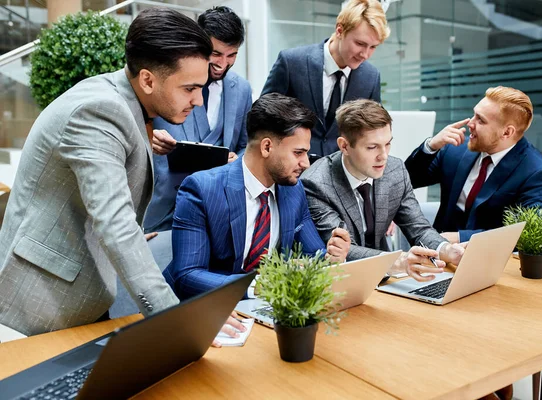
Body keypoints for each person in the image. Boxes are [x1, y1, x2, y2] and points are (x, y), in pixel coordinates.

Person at [0, 8, 243, 341]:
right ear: (147, 79)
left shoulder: (126, 99)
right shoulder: (100, 111)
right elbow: (116, 223)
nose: (198, 101)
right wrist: (180, 318)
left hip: (81, 292)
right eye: (189, 88)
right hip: (36, 308)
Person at [163, 93, 351, 298]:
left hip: (265, 308)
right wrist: (264, 283)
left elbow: (311, 254)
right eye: (298, 153)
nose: (306, 163)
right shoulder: (201, 189)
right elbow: (187, 276)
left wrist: (329, 260)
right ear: (267, 147)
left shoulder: (292, 189)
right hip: (205, 310)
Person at [302, 99, 464, 281]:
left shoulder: (395, 170)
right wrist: (398, 262)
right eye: (372, 147)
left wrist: (446, 250)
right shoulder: (316, 183)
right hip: (344, 281)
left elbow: (418, 228)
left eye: (387, 144)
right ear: (344, 146)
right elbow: (345, 249)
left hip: (388, 279)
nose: (384, 156)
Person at [145, 6, 253, 232]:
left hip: (216, 210)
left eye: (231, 55)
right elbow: (137, 122)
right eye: (216, 54)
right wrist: (148, 137)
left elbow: (246, 144)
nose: (223, 64)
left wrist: (237, 162)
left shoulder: (242, 89)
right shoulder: (168, 78)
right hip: (162, 208)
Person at [404, 86, 542, 243]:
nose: (470, 123)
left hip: (493, 262)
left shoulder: (538, 172)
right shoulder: (455, 148)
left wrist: (459, 238)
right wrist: (431, 146)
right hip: (437, 258)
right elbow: (406, 181)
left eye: (481, 120)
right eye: (474, 115)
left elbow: (530, 234)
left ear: (507, 132)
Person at [261, 0, 389, 157]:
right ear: (340, 30)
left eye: (373, 47)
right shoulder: (292, 62)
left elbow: (372, 133)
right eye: (360, 43)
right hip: (292, 172)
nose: (365, 54)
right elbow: (262, 119)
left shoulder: (370, 77)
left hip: (341, 174)